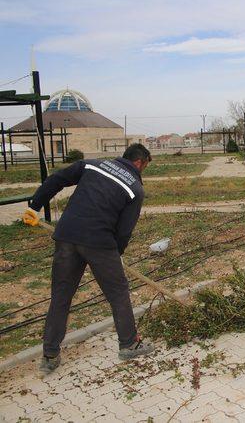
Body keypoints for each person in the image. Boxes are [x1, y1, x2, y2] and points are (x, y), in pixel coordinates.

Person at [22, 144, 155, 374]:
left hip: (67, 236)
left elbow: (57, 179)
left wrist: (35, 204)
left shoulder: (93, 164)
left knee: (61, 295)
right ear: (140, 163)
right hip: (99, 243)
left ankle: (50, 355)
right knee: (118, 292)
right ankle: (129, 343)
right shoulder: (135, 188)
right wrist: (116, 255)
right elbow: (124, 232)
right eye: (145, 166)